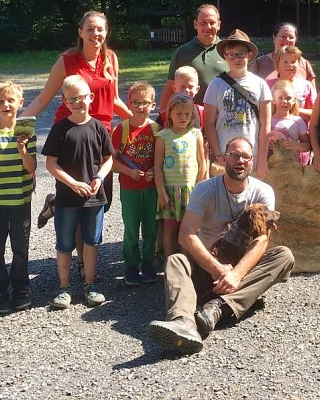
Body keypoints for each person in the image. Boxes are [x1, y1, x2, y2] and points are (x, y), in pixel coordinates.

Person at [146, 137, 295, 356]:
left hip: (242, 270)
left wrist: (236, 274)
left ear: (252, 161)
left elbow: (261, 240)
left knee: (284, 256)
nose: (240, 161)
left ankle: (217, 308)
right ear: (224, 158)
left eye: (245, 156)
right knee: (175, 260)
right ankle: (183, 322)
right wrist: (217, 269)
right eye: (234, 155)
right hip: (208, 264)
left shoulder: (263, 191)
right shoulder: (205, 189)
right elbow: (186, 234)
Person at [22, 10, 132, 210]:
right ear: (80, 32)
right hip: (71, 134)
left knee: (100, 200)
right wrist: (17, 122)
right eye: (90, 29)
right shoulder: (66, 60)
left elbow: (114, 99)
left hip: (100, 133)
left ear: (107, 32)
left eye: (100, 29)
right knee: (74, 198)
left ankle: (54, 205)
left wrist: (141, 123)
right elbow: (42, 98)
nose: (95, 33)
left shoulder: (111, 59)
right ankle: (62, 212)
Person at [43, 76, 113, 309]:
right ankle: (64, 288)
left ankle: (90, 284)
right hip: (66, 198)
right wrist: (72, 183)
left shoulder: (98, 128)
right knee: (64, 243)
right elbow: (51, 164)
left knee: (92, 241)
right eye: (71, 99)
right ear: (64, 101)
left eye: (81, 97)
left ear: (90, 98)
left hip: (94, 197)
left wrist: (100, 177)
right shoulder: (60, 129)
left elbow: (108, 159)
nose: (76, 102)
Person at [0, 81, 37, 313]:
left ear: (20, 103)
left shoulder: (26, 133)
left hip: (20, 201)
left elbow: (31, 167)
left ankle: (21, 287)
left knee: (20, 248)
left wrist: (22, 149)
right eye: (0, 101)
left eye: (11, 100)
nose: (6, 104)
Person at [203, 29, 272, 178]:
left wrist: (262, 159)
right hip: (225, 155)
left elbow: (266, 124)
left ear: (249, 55)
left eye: (241, 54)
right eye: (232, 55)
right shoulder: (216, 85)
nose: (237, 59)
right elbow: (208, 122)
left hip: (251, 156)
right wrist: (217, 154)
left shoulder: (260, 85)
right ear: (225, 57)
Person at [111, 81, 160, 287]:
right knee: (131, 228)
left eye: (145, 103)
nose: (141, 107)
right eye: (136, 103)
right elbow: (111, 162)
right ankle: (131, 266)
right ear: (128, 104)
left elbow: (161, 158)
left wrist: (153, 171)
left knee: (151, 228)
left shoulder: (156, 129)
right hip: (129, 189)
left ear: (153, 105)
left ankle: (148, 263)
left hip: (151, 189)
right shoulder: (121, 129)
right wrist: (129, 171)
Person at [155, 93, 207, 257]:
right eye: (179, 113)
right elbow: (157, 167)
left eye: (187, 113)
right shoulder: (163, 136)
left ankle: (187, 264)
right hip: (170, 192)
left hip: (191, 192)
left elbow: (202, 162)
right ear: (170, 113)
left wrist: (201, 188)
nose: (183, 117)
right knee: (169, 229)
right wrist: (161, 192)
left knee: (188, 230)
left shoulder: (196, 134)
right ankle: (169, 263)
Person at [160, 4, 228, 111]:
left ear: (219, 25)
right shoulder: (182, 52)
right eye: (203, 23)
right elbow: (170, 88)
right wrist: (164, 117)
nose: (207, 27)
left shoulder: (228, 52)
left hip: (221, 118)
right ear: (195, 24)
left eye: (212, 23)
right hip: (188, 118)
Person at [249, 22, 317, 89]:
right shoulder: (259, 63)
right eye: (283, 36)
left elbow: (313, 95)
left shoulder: (304, 64)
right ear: (274, 38)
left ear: (296, 39)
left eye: (291, 37)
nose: (287, 40)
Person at [266, 45, 316, 120]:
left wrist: (295, 109)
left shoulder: (306, 85)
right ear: (277, 64)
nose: (290, 65)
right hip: (273, 129)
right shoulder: (267, 85)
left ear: (298, 64)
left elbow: (315, 112)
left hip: (300, 130)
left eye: (293, 62)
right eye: (285, 62)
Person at [269, 80, 311, 166]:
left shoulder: (297, 121)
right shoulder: (267, 120)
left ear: (294, 100)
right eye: (280, 98)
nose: (284, 101)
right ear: (273, 100)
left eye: (288, 98)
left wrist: (295, 145)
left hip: (291, 166)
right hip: (269, 166)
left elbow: (308, 146)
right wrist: (266, 142)